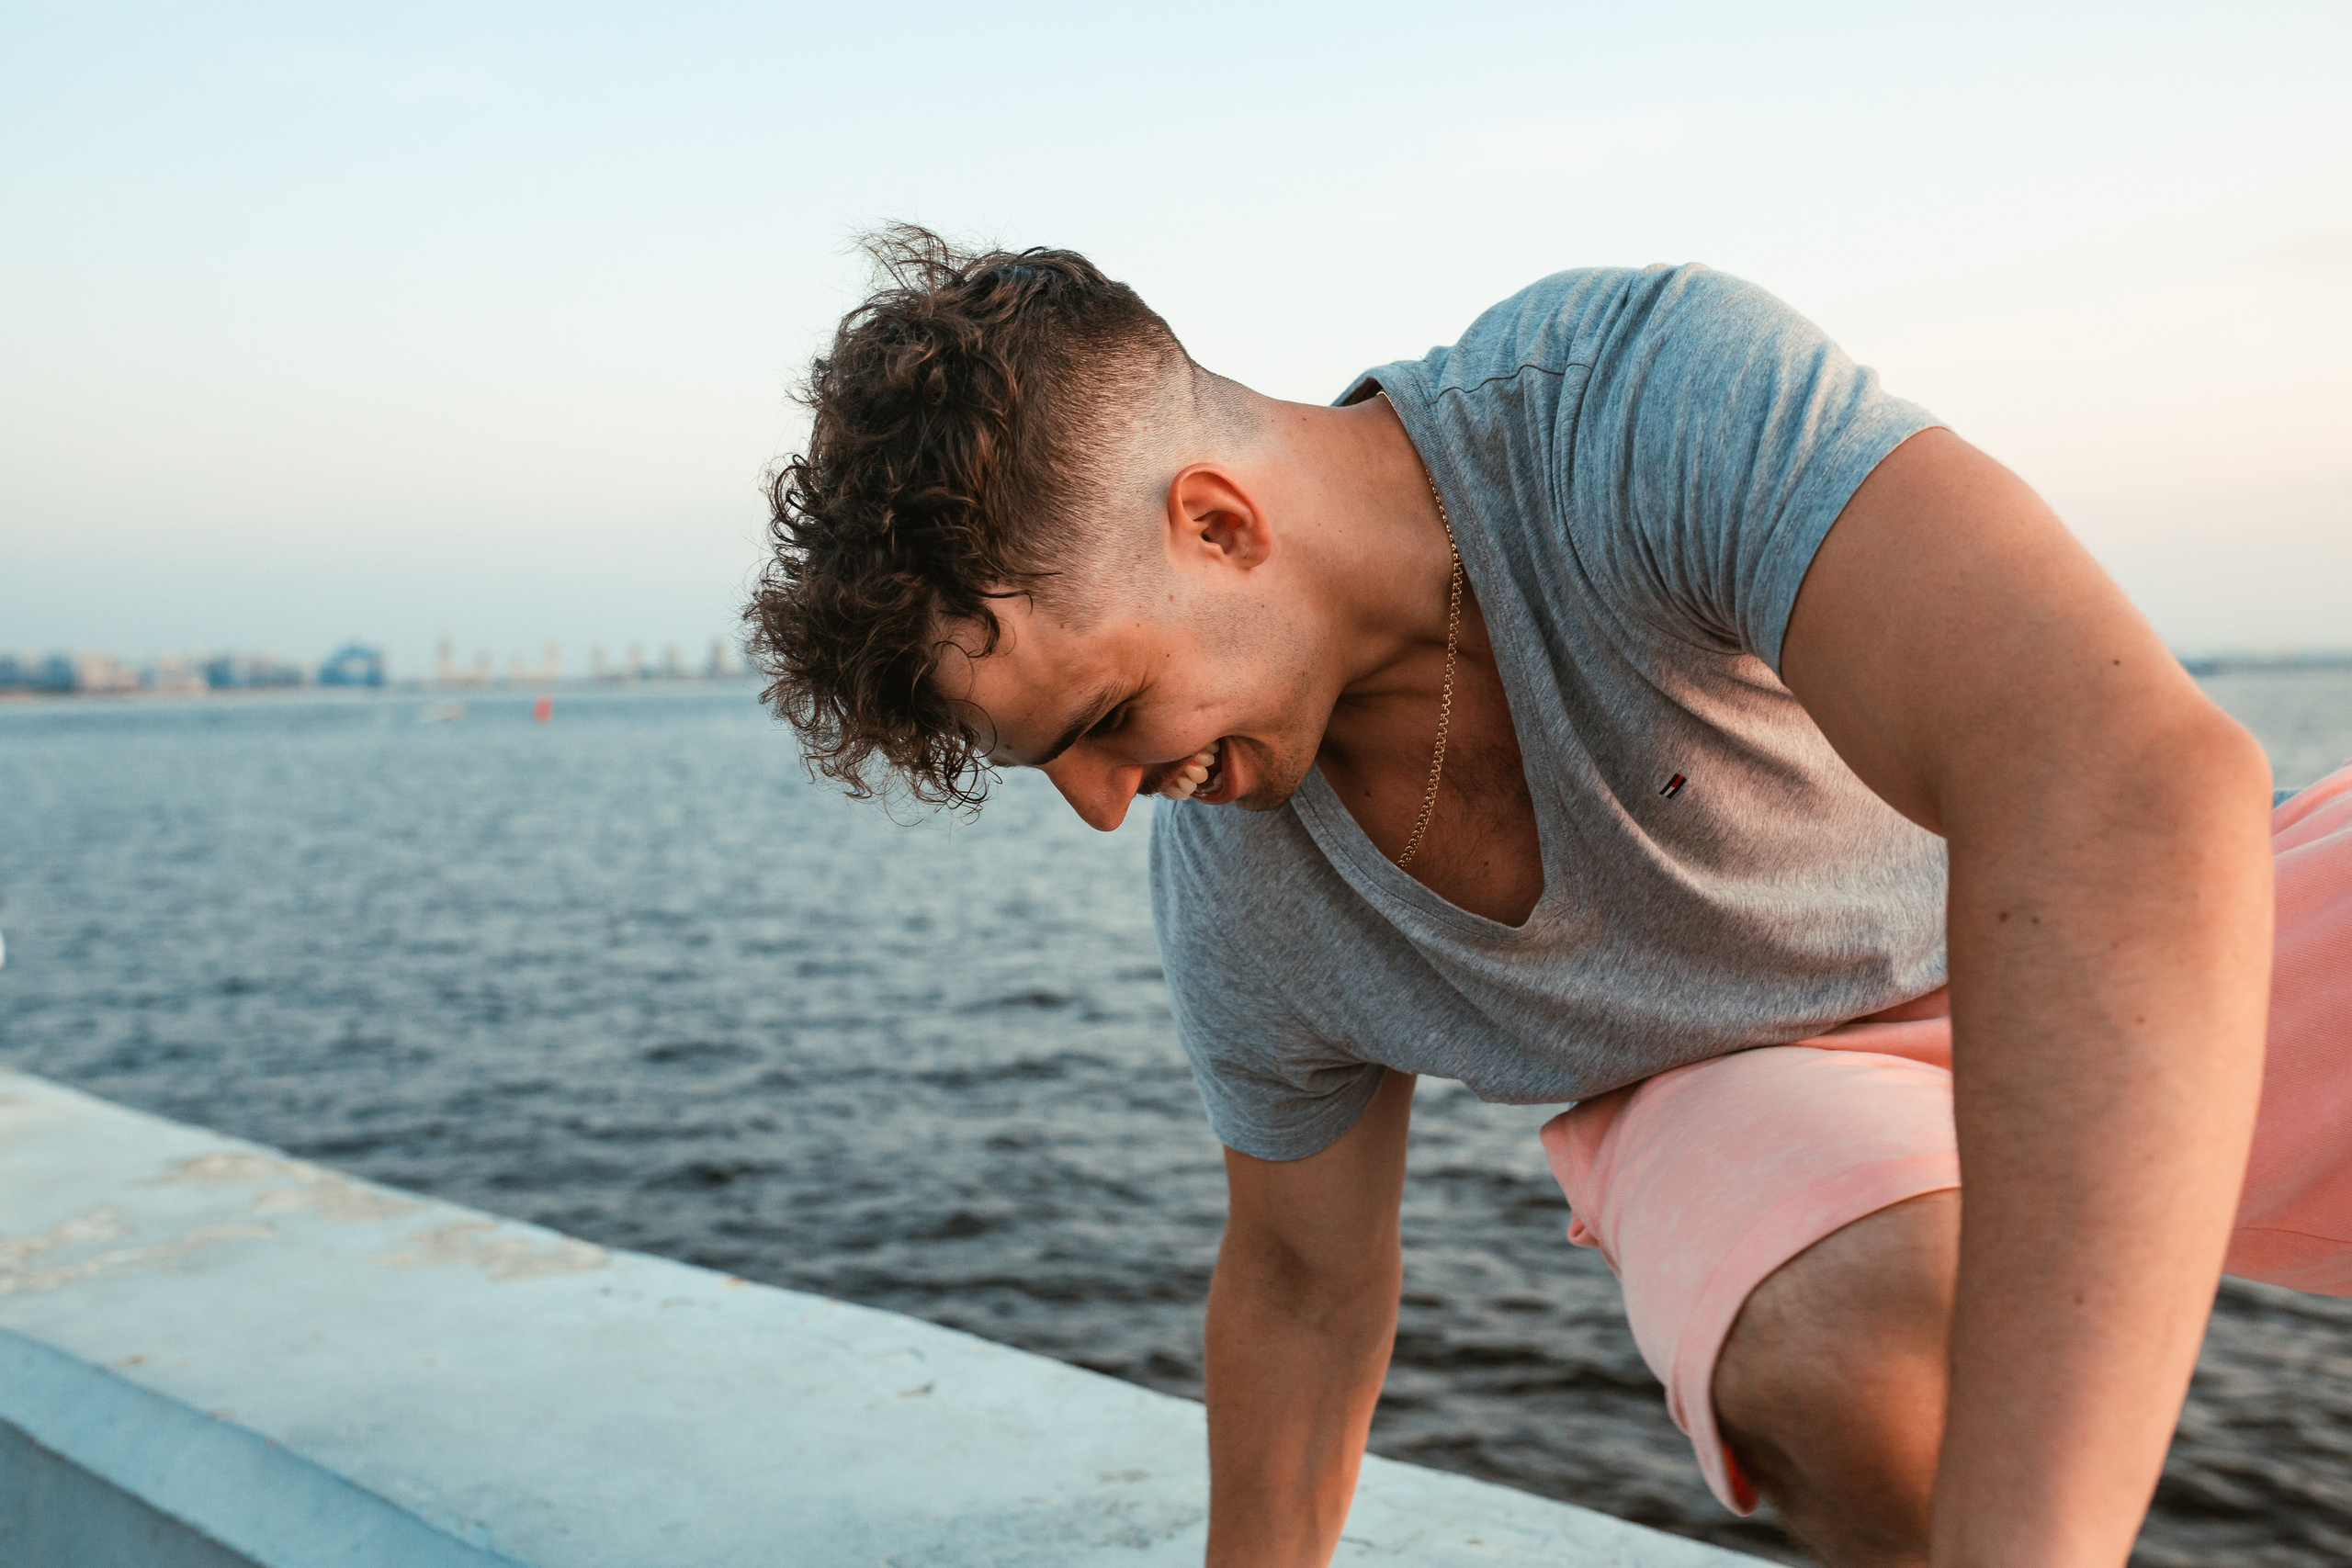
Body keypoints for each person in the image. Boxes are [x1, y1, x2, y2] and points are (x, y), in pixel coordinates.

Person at [743, 226, 2350, 1568]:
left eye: (1103, 722)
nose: (1104, 809)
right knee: (1855, 1349)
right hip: (1743, 1085)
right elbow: (1302, 1285)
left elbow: (2124, 784)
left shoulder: (1630, 402)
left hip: (2115, 919)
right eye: (1054, 768)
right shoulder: (1242, 888)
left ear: (1218, 523)